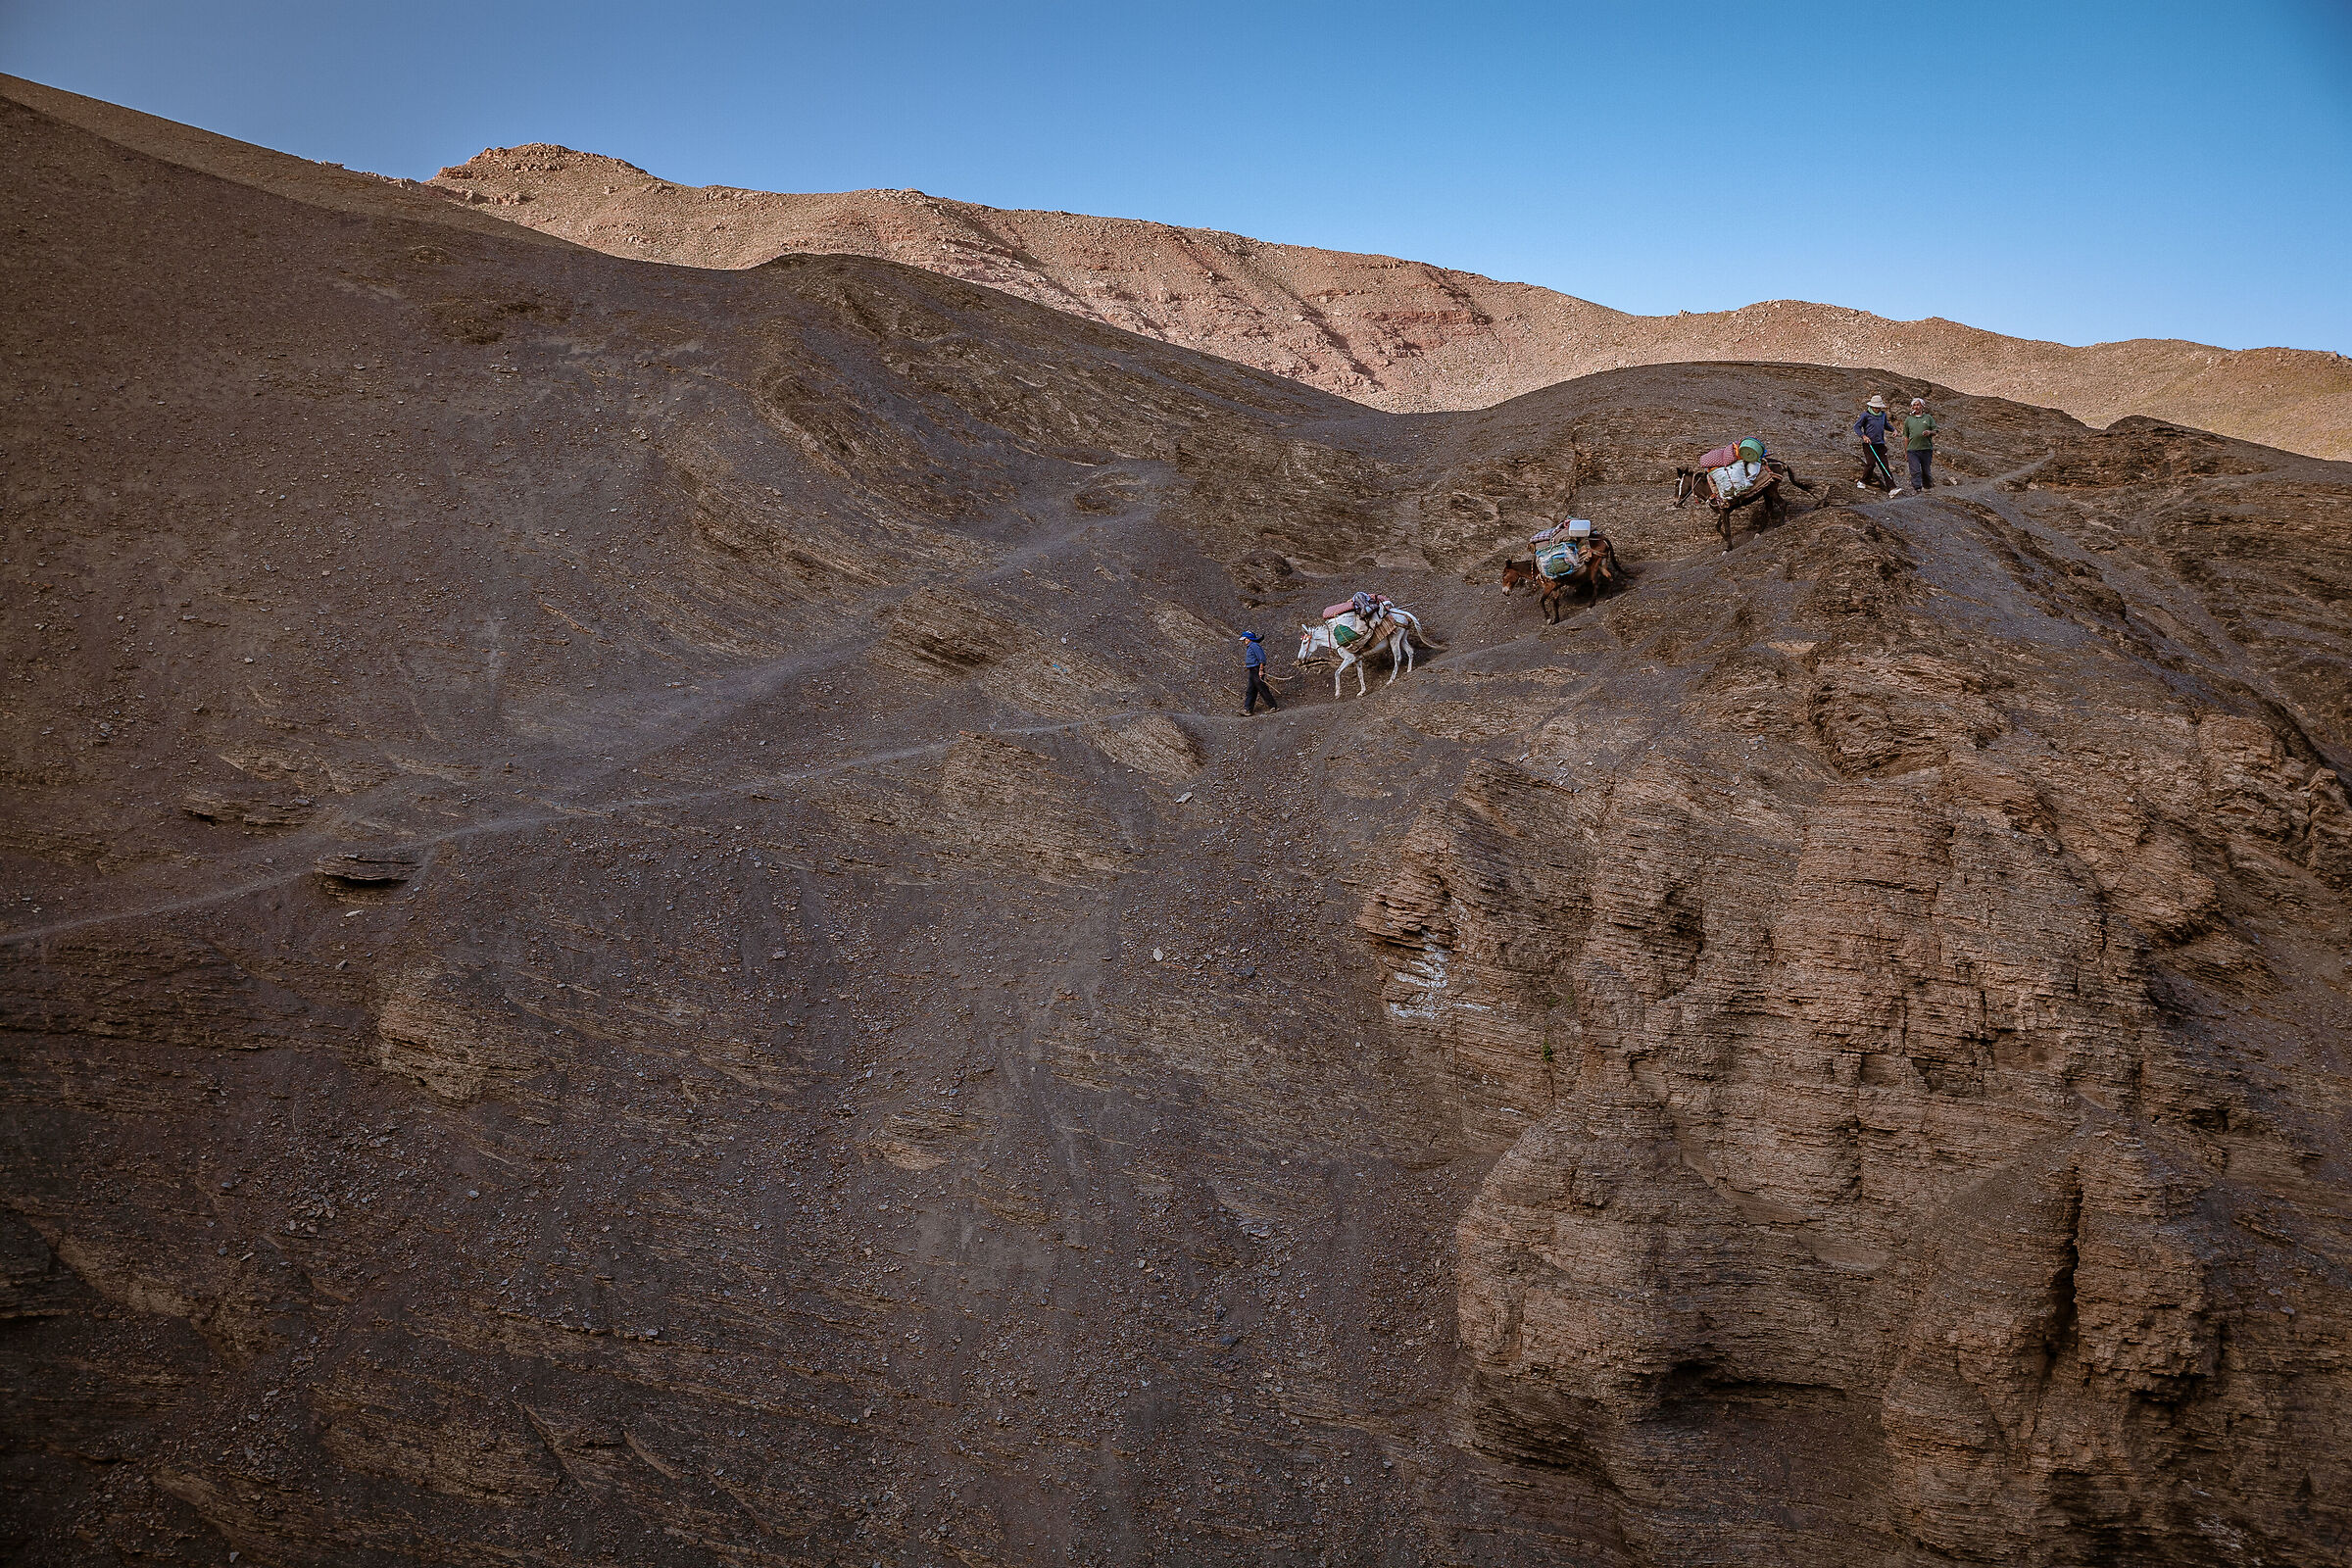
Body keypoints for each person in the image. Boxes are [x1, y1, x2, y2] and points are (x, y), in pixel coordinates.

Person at [1852, 394, 1900, 493]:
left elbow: (1886, 425)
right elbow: (1856, 427)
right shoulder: (1865, 415)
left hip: (1880, 444)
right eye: (1875, 407)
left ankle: (1892, 488)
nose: (1877, 409)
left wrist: (1894, 430)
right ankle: (1863, 481)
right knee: (1871, 464)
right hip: (1869, 444)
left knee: (1885, 466)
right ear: (1872, 406)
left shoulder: (1883, 415)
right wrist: (1863, 436)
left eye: (1879, 407)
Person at [1902, 397, 1938, 494]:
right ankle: (1917, 488)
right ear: (1911, 407)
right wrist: (1906, 452)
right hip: (1912, 449)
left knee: (1926, 471)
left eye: (1918, 405)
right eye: (1914, 405)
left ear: (1922, 406)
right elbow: (1906, 437)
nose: (1916, 407)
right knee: (1915, 470)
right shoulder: (1908, 419)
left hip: (1926, 449)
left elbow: (1935, 431)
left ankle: (1927, 487)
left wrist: (1929, 432)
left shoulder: (1928, 418)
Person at [1241, 631, 1280, 715]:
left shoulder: (1255, 646)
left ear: (1249, 639)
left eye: (1245, 639)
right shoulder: (1250, 646)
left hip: (1256, 670)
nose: (1244, 641)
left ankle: (1273, 706)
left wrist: (1261, 670)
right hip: (1252, 671)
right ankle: (1247, 709)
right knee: (1251, 690)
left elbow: (1262, 658)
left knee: (1262, 689)